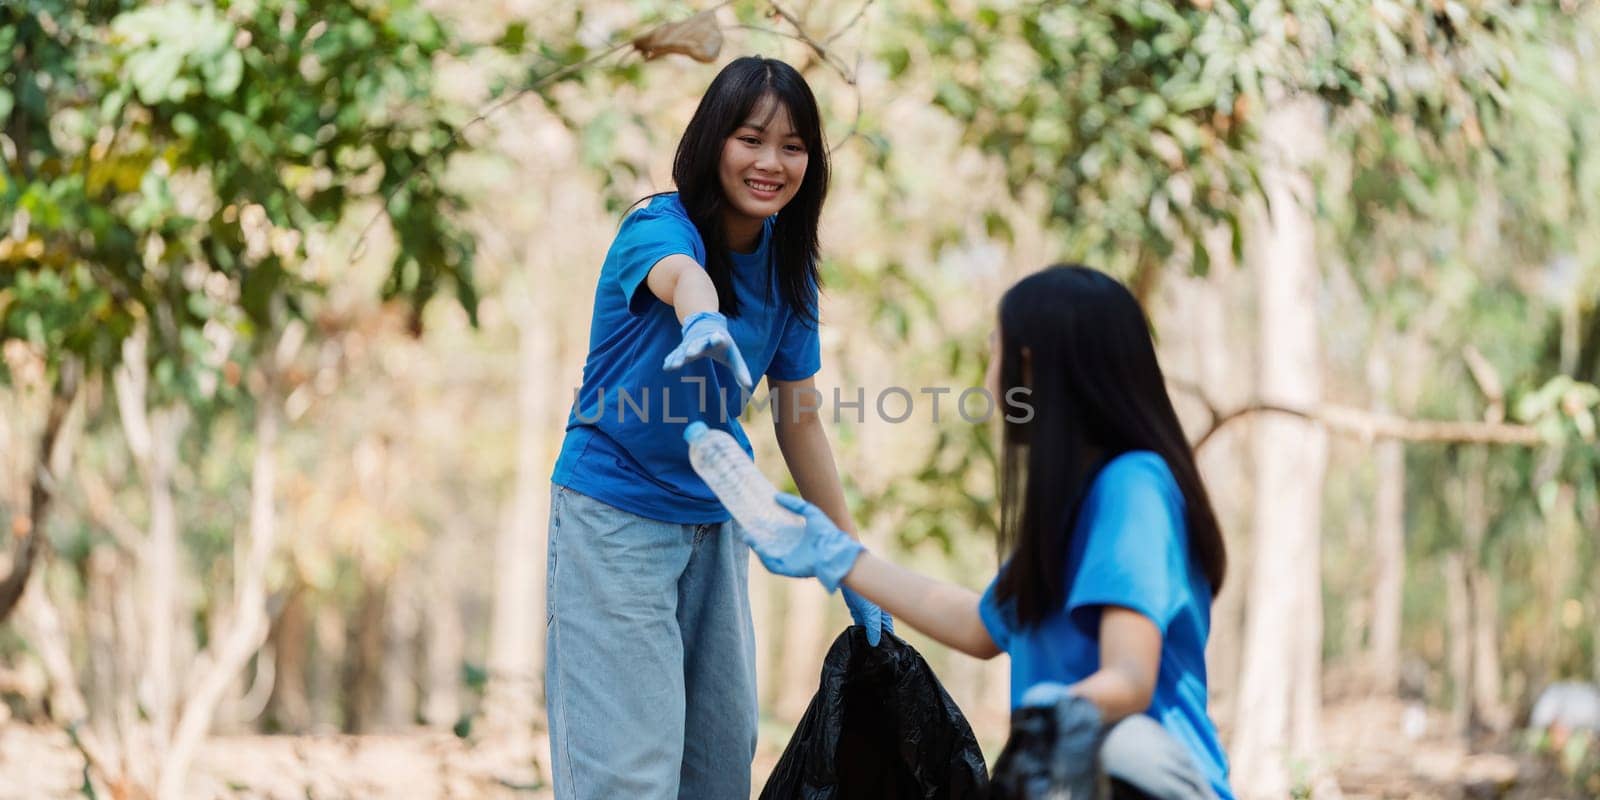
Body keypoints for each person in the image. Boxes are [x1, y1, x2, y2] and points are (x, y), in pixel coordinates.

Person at [748, 265, 1236, 800]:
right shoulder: (1072, 507)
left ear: (1033, 365)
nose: (988, 380)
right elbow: (980, 626)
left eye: (996, 353)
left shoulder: (1132, 486)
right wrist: (843, 560)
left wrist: (1047, 723)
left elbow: (1129, 677)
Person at [545, 56, 887, 800]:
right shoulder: (656, 225)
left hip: (718, 523)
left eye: (793, 147)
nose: (771, 162)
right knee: (627, 778)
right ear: (711, 142)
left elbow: (800, 422)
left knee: (717, 773)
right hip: (615, 521)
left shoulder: (791, 271)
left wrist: (852, 564)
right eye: (751, 138)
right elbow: (679, 273)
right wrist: (700, 314)